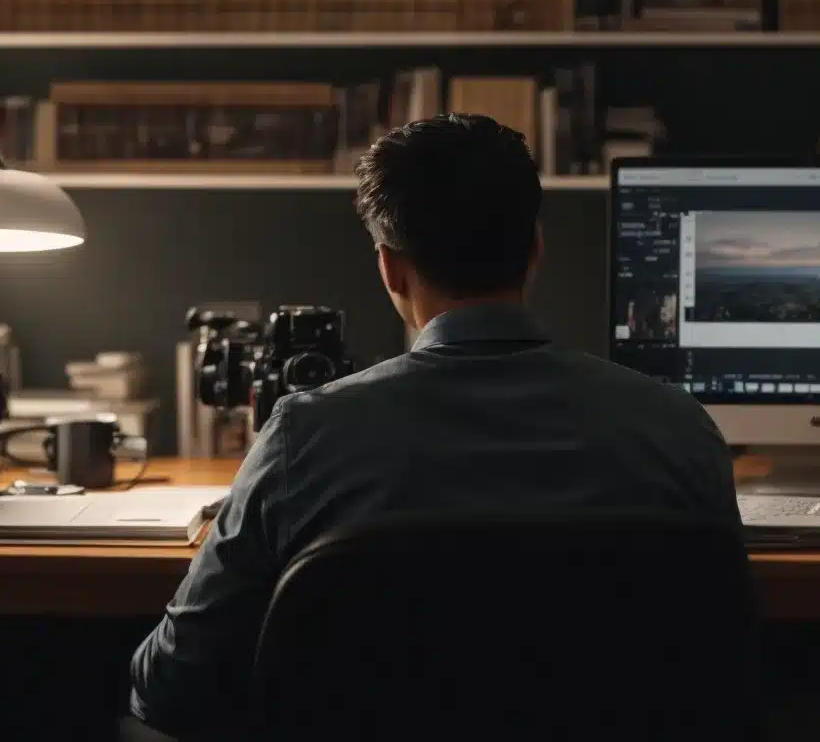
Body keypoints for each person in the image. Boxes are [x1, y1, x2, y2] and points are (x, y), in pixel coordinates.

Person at [127, 113, 740, 739]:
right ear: (535, 249)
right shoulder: (678, 429)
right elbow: (727, 664)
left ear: (390, 268)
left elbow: (171, 687)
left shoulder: (303, 437)